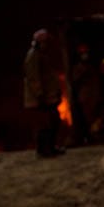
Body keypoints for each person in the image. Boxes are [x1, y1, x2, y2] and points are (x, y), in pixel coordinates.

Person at [22, 28, 65, 158]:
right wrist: (40, 95)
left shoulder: (41, 55)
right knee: (45, 125)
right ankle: (44, 150)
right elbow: (33, 78)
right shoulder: (33, 56)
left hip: (48, 97)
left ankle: (50, 147)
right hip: (41, 99)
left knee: (53, 121)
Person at [70, 43, 104, 145]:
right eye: (83, 54)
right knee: (87, 119)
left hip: (95, 96)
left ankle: (94, 136)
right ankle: (89, 137)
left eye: (86, 53)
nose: (85, 56)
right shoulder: (78, 69)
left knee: (96, 117)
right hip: (85, 98)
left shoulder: (92, 68)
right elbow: (75, 82)